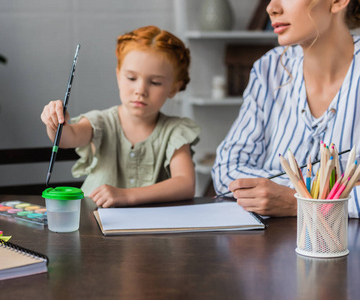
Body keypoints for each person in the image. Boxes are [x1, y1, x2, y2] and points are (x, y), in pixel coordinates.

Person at [212, 0, 360, 218]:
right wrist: (340, 191)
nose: (272, 8)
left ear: (337, 2)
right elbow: (226, 170)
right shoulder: (269, 68)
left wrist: (299, 203)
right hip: (267, 244)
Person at [41, 25, 200, 208]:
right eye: (131, 78)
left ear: (174, 87)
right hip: (93, 226)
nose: (140, 90)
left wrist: (127, 195)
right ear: (118, 76)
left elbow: (186, 184)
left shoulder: (176, 131)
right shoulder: (101, 122)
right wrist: (55, 122)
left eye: (155, 82)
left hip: (150, 231)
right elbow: (67, 138)